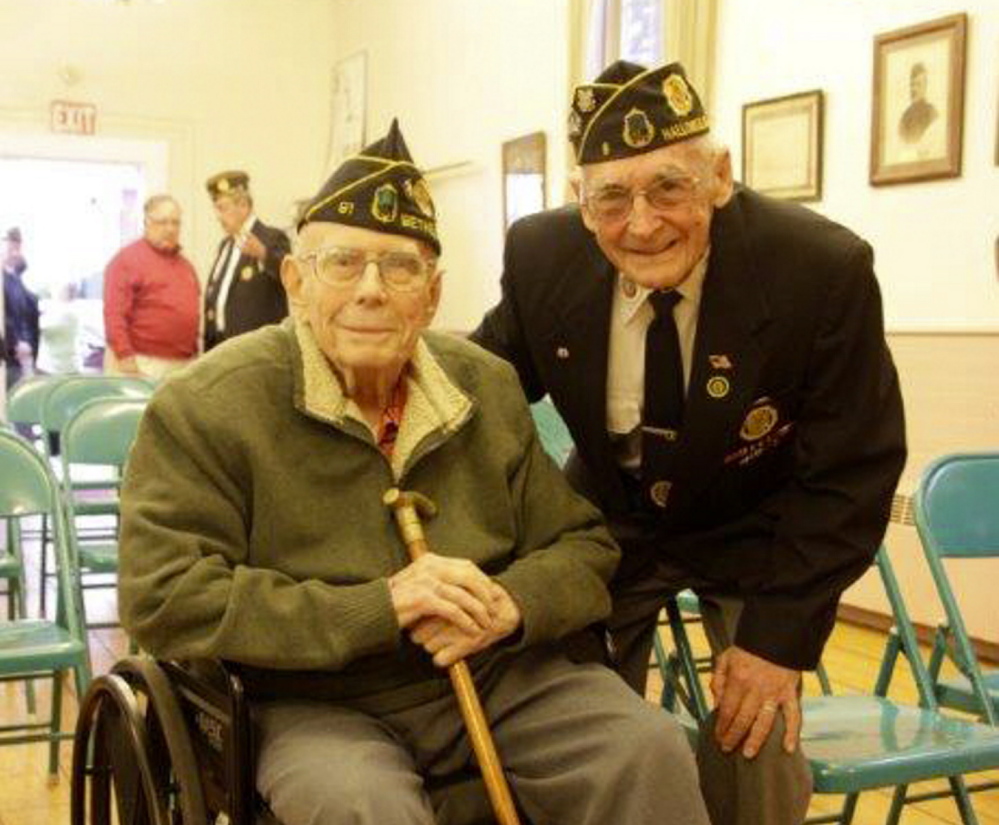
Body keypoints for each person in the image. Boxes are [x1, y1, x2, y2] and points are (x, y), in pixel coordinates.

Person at [119, 121, 710, 825]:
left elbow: (584, 547)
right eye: (342, 263)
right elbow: (164, 598)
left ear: (430, 296)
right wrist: (381, 606)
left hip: (498, 671)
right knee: (358, 805)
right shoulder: (207, 406)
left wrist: (509, 602)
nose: (371, 290)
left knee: (642, 748)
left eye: (399, 268)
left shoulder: (483, 386)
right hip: (313, 696)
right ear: (293, 284)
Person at [473, 60, 907, 825]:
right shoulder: (541, 255)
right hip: (611, 521)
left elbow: (851, 470)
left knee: (759, 736)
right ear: (580, 204)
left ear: (719, 177)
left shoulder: (818, 269)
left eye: (668, 187)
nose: (640, 223)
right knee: (563, 718)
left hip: (757, 529)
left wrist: (774, 646)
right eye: (611, 197)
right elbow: (479, 385)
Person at [102, 194, 200, 379]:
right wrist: (125, 358)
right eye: (163, 222)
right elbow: (114, 315)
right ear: (147, 222)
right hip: (139, 364)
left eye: (175, 222)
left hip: (181, 366)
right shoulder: (126, 260)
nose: (170, 229)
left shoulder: (186, 266)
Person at [202, 169, 290, 351]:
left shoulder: (272, 238)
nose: (218, 216)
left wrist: (264, 255)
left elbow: (291, 276)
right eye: (216, 209)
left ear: (243, 205)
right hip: (220, 346)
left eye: (222, 208)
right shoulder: (225, 244)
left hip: (255, 350)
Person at [3, 226, 40, 389]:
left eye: (17, 247)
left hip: (24, 352)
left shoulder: (15, 276)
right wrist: (16, 343)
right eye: (11, 247)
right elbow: (3, 315)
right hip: (11, 353)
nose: (15, 252)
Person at [898, 62, 938, 145]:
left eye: (918, 84)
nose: (914, 89)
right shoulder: (905, 116)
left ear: (925, 87)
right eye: (912, 84)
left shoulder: (932, 113)